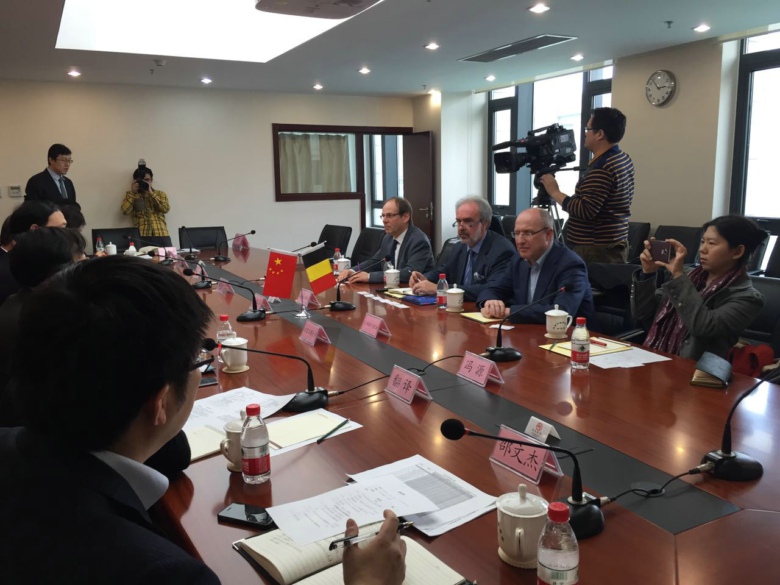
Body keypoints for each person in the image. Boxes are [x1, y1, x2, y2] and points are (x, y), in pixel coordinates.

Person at [0, 256, 406, 584]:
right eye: (198, 358)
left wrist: (156, 423)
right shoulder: (160, 573)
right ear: (160, 401)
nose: (202, 365)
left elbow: (166, 448)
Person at [632, 215, 766, 361]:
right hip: (653, 357)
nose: (702, 249)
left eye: (712, 243)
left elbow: (703, 327)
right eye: (702, 242)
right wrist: (648, 273)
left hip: (695, 370)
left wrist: (678, 276)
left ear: (737, 252)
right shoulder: (689, 276)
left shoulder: (748, 298)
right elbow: (643, 313)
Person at [539, 107, 634, 264]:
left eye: (588, 129)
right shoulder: (623, 158)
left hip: (596, 250)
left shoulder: (603, 167)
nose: (585, 134)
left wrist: (555, 192)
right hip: (612, 245)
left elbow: (585, 210)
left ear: (600, 134)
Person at [477, 208, 594, 324]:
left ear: (548, 234)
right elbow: (494, 289)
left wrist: (509, 312)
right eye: (517, 233)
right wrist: (490, 302)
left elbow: (562, 311)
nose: (520, 241)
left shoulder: (570, 265)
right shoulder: (518, 260)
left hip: (569, 333)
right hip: (527, 330)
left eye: (528, 233)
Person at [409, 196, 515, 301]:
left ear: (484, 224)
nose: (461, 227)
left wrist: (441, 289)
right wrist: (424, 278)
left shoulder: (502, 251)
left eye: (468, 221)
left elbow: (491, 289)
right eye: (459, 221)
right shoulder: (459, 247)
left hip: (482, 308)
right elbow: (444, 271)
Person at [339, 197, 434, 284]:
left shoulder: (419, 241)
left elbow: (409, 273)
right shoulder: (388, 238)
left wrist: (370, 277)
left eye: (389, 215)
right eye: (383, 216)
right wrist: (353, 271)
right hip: (393, 288)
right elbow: (375, 262)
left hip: (413, 291)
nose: (384, 220)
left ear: (405, 217)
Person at [0, 201, 68, 306]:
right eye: (60, 229)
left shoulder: (49, 261)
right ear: (35, 230)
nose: (67, 234)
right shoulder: (11, 271)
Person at [120, 165, 173, 247]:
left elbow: (165, 209)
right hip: (141, 235)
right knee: (142, 255)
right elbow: (125, 211)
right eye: (142, 180)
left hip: (161, 232)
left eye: (147, 180)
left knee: (169, 255)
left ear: (152, 180)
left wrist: (151, 194)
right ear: (135, 181)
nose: (145, 182)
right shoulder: (132, 195)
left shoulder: (160, 194)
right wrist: (133, 193)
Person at [24, 143, 80, 209]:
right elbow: (32, 209)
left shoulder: (68, 182)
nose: (67, 164)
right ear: (51, 160)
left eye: (69, 160)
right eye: (63, 160)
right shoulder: (36, 181)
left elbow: (73, 208)